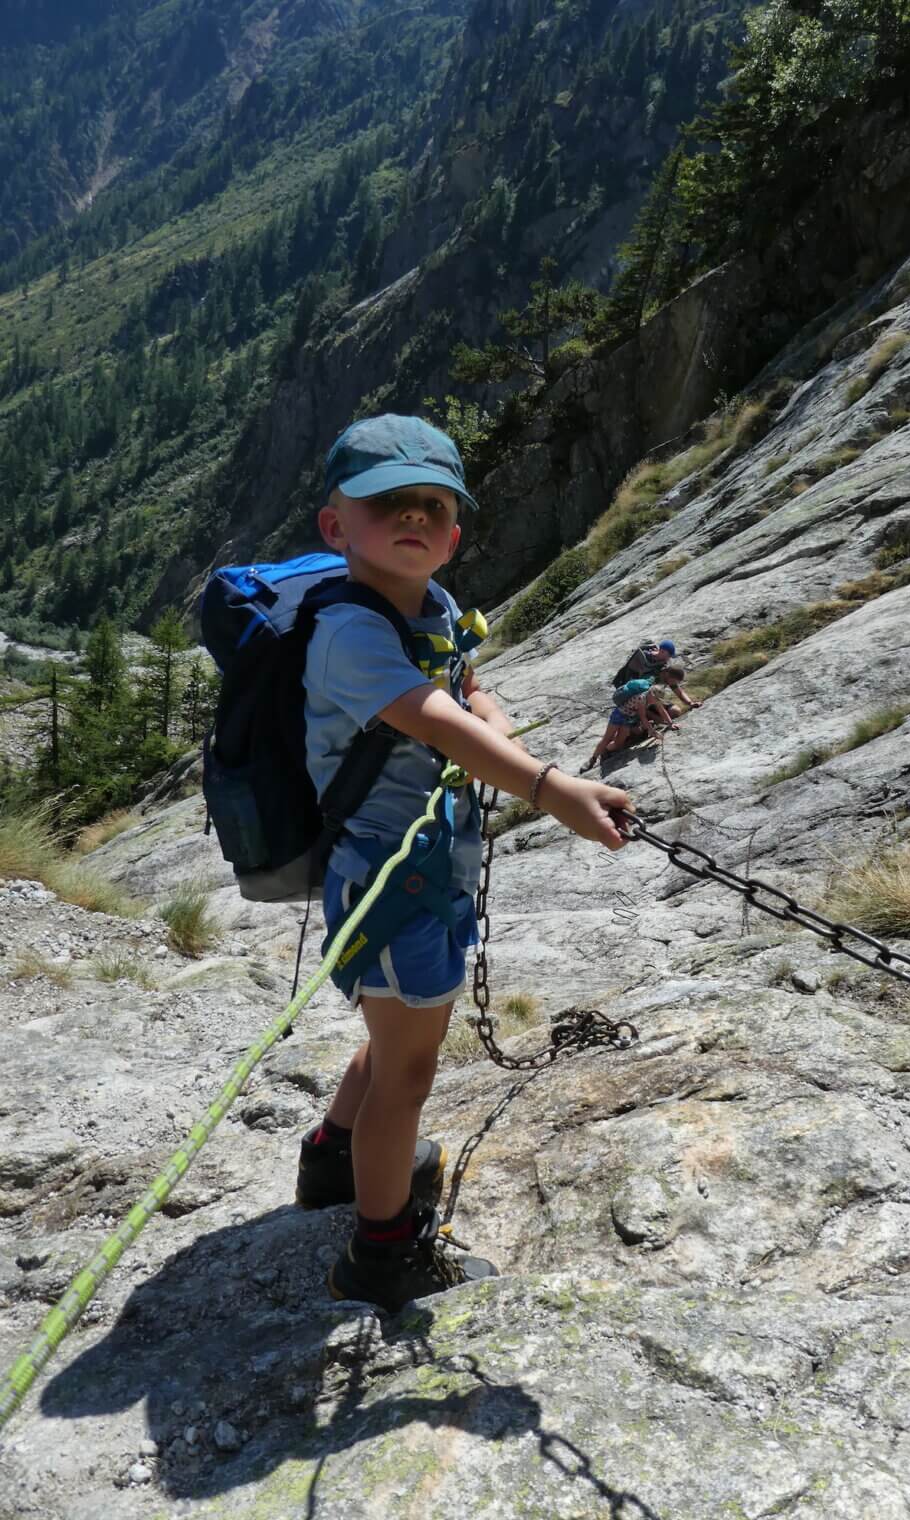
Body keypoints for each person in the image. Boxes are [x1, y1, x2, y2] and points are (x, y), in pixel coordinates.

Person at [295, 414, 631, 1312]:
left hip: (420, 866)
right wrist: (549, 787)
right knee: (407, 1072)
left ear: (452, 533)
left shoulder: (429, 608)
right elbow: (432, 717)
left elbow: (465, 686)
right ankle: (382, 1251)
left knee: (395, 1040)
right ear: (337, 527)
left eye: (431, 507)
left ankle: (333, 1158)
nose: (412, 519)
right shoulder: (352, 637)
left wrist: (495, 716)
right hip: (388, 880)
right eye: (386, 505)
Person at [582, 675, 677, 771]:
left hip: (628, 719)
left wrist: (671, 723)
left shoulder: (652, 697)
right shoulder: (641, 698)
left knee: (619, 743)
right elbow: (643, 717)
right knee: (608, 737)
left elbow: (662, 710)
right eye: (656, 699)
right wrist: (652, 732)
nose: (656, 702)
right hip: (619, 715)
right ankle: (592, 760)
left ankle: (605, 751)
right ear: (652, 694)